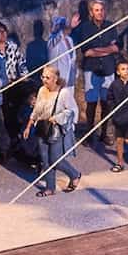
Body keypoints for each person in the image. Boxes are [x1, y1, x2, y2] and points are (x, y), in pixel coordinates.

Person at [23, 64, 81, 196]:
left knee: (55, 159)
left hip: (56, 129)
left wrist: (58, 117)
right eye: (43, 77)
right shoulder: (42, 90)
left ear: (55, 78)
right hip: (42, 128)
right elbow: (37, 109)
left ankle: (75, 175)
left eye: (47, 77)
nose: (44, 80)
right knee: (45, 159)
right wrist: (29, 125)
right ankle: (50, 188)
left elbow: (72, 110)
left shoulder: (64, 93)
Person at [73, 0, 120, 143]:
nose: (100, 13)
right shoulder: (86, 28)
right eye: (96, 10)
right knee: (91, 103)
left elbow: (116, 48)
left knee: (107, 102)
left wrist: (98, 51)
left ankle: (104, 133)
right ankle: (89, 133)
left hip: (108, 68)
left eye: (101, 10)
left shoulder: (110, 26)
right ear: (91, 12)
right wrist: (107, 50)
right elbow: (87, 51)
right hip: (91, 69)